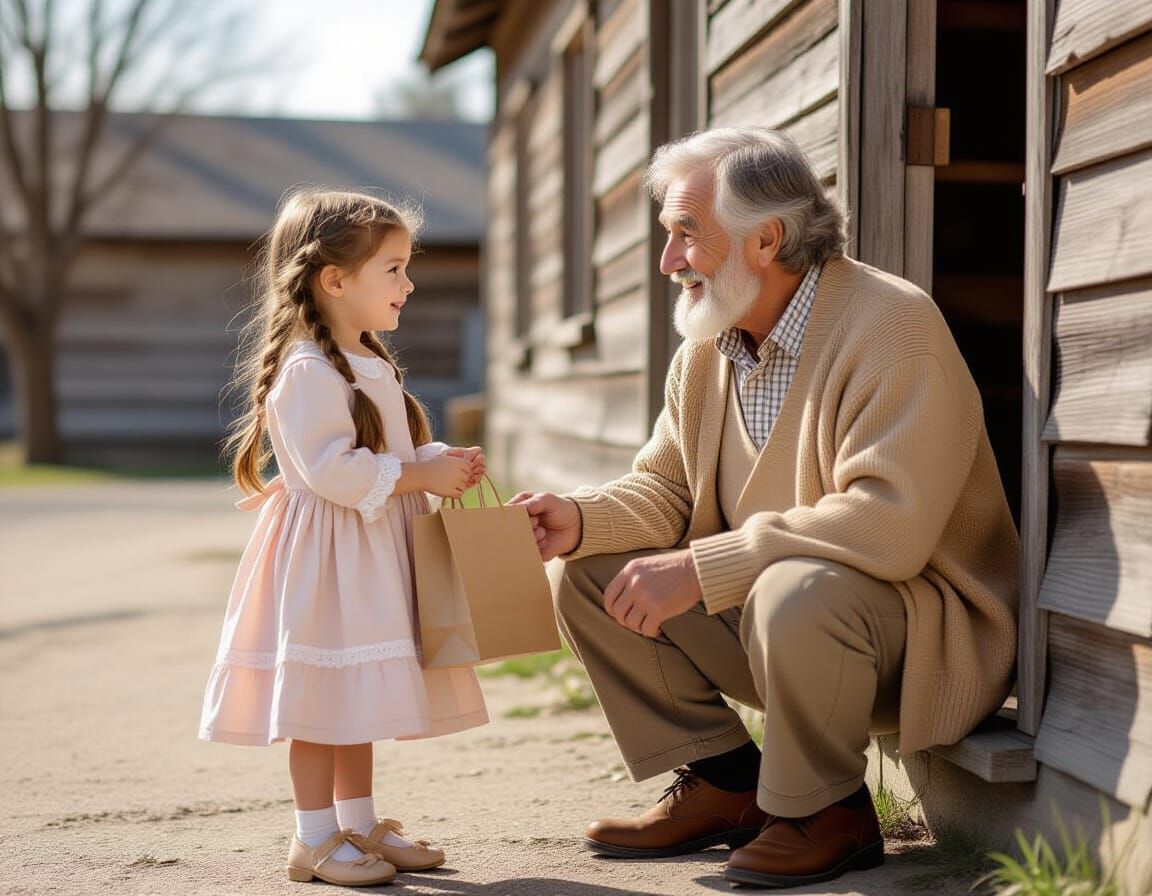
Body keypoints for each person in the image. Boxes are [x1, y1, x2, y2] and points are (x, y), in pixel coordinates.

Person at [511, 128, 1019, 888]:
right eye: (667, 235)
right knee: (589, 574)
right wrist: (578, 521)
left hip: (916, 632)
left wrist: (706, 566)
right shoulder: (709, 348)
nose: (668, 260)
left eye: (687, 233)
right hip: (784, 622)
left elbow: (889, 523)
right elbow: (669, 490)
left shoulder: (893, 326)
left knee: (793, 586)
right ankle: (727, 782)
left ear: (766, 239)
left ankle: (829, 813)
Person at [199, 188, 489, 887]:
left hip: (365, 553)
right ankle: (313, 839)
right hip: (329, 562)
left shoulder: (366, 359)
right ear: (334, 279)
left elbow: (375, 450)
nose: (408, 282)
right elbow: (331, 469)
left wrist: (433, 462)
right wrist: (418, 476)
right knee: (320, 700)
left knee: (354, 691)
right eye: (392, 268)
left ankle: (356, 825)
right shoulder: (307, 369)